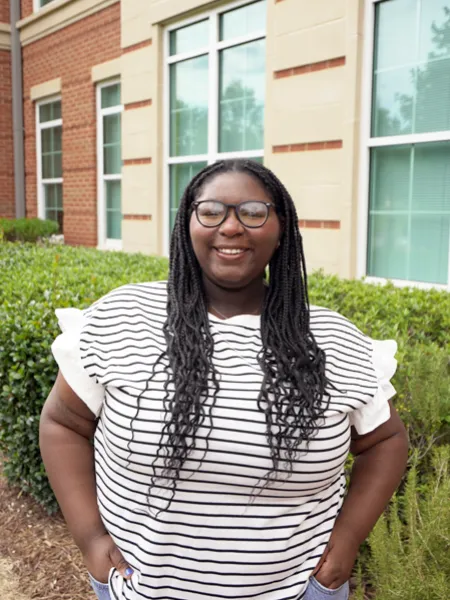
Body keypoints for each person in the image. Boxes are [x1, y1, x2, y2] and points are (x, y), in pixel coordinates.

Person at [40, 159, 408, 600]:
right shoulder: (122, 318)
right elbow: (63, 423)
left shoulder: (335, 340)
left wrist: (347, 541)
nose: (231, 227)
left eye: (253, 212)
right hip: (143, 591)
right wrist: (90, 539)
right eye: (211, 211)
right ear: (187, 223)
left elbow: (385, 441)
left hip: (296, 592)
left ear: (281, 227)